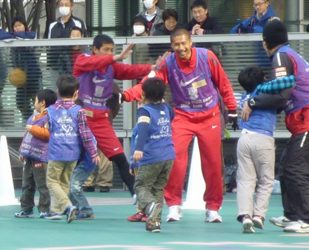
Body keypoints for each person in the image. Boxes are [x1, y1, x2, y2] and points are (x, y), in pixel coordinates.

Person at [109, 29, 238, 223]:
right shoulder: (168, 63)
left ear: (191, 42)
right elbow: (148, 84)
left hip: (210, 117)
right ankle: (174, 205)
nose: (181, 48)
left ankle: (212, 208)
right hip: (183, 117)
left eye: (184, 43)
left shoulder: (207, 57)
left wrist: (232, 109)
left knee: (213, 164)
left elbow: (224, 83)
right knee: (175, 161)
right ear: (172, 46)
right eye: (176, 44)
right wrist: (124, 96)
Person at [241, 20, 309, 233]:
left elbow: (281, 95)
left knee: (296, 169)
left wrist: (252, 102)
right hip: (307, 118)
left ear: (265, 43)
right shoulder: (288, 53)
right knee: (286, 167)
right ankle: (292, 215)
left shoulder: (279, 57)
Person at [73, 34, 163, 198]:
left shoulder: (112, 67)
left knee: (120, 158)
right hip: (81, 119)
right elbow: (91, 63)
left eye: (112, 50)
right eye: (106, 50)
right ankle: (64, 201)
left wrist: (152, 67)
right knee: (73, 158)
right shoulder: (83, 59)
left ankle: (138, 198)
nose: (109, 53)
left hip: (101, 120)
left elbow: (130, 70)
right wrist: (117, 56)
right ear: (95, 49)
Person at [236, 65, 296, 233]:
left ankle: (245, 215)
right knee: (266, 180)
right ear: (263, 79)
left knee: (245, 180)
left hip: (244, 138)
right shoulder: (265, 89)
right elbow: (289, 81)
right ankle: (258, 215)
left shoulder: (244, 96)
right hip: (263, 139)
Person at [46, 75, 100, 223]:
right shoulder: (79, 111)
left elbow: (46, 129)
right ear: (76, 93)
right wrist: (93, 152)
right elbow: (85, 134)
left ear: (57, 91)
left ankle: (68, 207)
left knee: (51, 181)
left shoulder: (50, 110)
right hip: (73, 154)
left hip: (56, 152)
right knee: (64, 182)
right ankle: (57, 210)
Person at [132, 77, 175, 233]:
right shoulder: (166, 107)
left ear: (142, 93)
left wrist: (138, 148)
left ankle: (149, 206)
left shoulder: (144, 110)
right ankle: (154, 223)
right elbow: (173, 115)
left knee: (141, 185)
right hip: (168, 155)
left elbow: (142, 128)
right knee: (158, 188)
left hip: (151, 156)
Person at [15, 89, 57, 219]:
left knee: (42, 184)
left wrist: (32, 128)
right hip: (29, 155)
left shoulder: (49, 117)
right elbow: (27, 136)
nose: (34, 103)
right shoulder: (32, 117)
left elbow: (47, 135)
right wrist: (22, 150)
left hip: (41, 157)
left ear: (42, 103)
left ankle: (44, 209)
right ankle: (26, 208)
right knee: (27, 183)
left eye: (36, 101)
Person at [48, 0, 87, 89]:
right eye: (61, 5)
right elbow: (49, 46)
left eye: (66, 5)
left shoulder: (78, 23)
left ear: (71, 7)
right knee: (57, 93)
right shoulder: (52, 25)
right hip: (56, 67)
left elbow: (84, 44)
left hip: (73, 66)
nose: (63, 7)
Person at [11, 16, 42, 122]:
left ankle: (38, 122)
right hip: (20, 77)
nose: (17, 28)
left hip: (33, 75)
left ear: (24, 26)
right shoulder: (12, 40)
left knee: (37, 101)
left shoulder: (30, 35)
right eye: (15, 26)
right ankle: (29, 120)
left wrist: (17, 36)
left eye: (20, 25)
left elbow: (31, 38)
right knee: (20, 102)